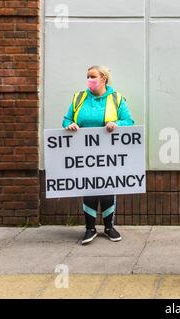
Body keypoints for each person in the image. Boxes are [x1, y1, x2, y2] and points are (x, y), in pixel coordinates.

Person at [62, 65, 134, 245]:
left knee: (108, 188)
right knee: (89, 188)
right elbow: (66, 119)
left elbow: (129, 121)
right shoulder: (79, 98)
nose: (89, 80)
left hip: (108, 153)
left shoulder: (116, 99)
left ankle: (109, 227)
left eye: (93, 76)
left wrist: (116, 124)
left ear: (104, 79)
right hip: (84, 154)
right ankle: (90, 228)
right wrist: (69, 125)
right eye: (87, 76)